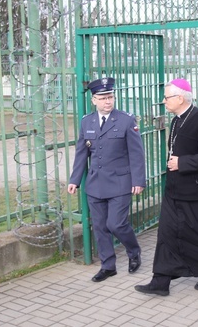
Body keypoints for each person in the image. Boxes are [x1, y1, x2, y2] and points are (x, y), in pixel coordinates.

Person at [134, 78, 198, 297]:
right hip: (175, 191)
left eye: (167, 97)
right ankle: (160, 280)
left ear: (180, 98)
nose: (163, 101)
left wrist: (182, 163)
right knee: (167, 233)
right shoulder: (177, 120)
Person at [67, 77, 146, 282]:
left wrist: (138, 181)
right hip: (95, 184)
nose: (107, 101)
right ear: (94, 100)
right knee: (100, 226)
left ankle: (133, 251)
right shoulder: (87, 121)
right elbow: (81, 153)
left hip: (120, 182)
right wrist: (75, 180)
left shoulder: (126, 120)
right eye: (102, 98)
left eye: (110, 97)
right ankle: (108, 265)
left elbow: (136, 154)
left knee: (116, 224)